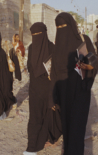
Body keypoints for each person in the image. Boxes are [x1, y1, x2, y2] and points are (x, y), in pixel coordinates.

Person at [50, 12, 98, 155]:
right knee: (67, 127)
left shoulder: (84, 41)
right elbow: (53, 72)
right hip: (63, 93)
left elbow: (95, 62)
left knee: (77, 128)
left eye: (64, 26)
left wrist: (91, 68)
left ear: (71, 25)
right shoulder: (56, 46)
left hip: (80, 92)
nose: (61, 29)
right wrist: (52, 96)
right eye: (58, 27)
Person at [24, 22, 62, 155]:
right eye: (33, 34)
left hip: (47, 89)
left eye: (38, 34)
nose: (36, 37)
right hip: (35, 89)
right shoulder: (33, 47)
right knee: (35, 117)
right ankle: (32, 146)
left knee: (48, 115)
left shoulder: (52, 48)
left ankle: (42, 140)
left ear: (44, 33)